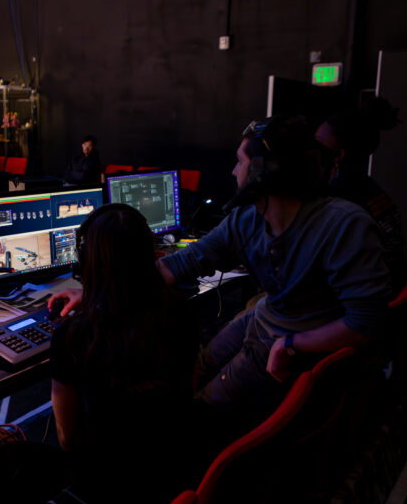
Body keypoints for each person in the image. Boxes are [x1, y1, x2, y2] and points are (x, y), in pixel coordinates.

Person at [154, 115, 392, 441]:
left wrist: (293, 344)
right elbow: (180, 264)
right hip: (267, 318)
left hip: (287, 343)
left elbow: (366, 324)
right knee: (198, 365)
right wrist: (104, 288)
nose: (233, 172)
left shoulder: (343, 225)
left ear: (261, 174)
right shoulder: (247, 219)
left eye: (240, 163)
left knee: (202, 412)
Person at [0, 204, 199, 504]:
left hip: (108, 487)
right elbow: (188, 389)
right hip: (173, 470)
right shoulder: (182, 312)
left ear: (87, 263)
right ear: (150, 255)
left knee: (8, 460)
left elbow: (69, 440)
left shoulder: (74, 335)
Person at [315, 97, 407, 293]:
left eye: (318, 142)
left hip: (364, 296)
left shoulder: (337, 197)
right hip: (387, 286)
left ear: (338, 154)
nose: (311, 148)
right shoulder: (369, 187)